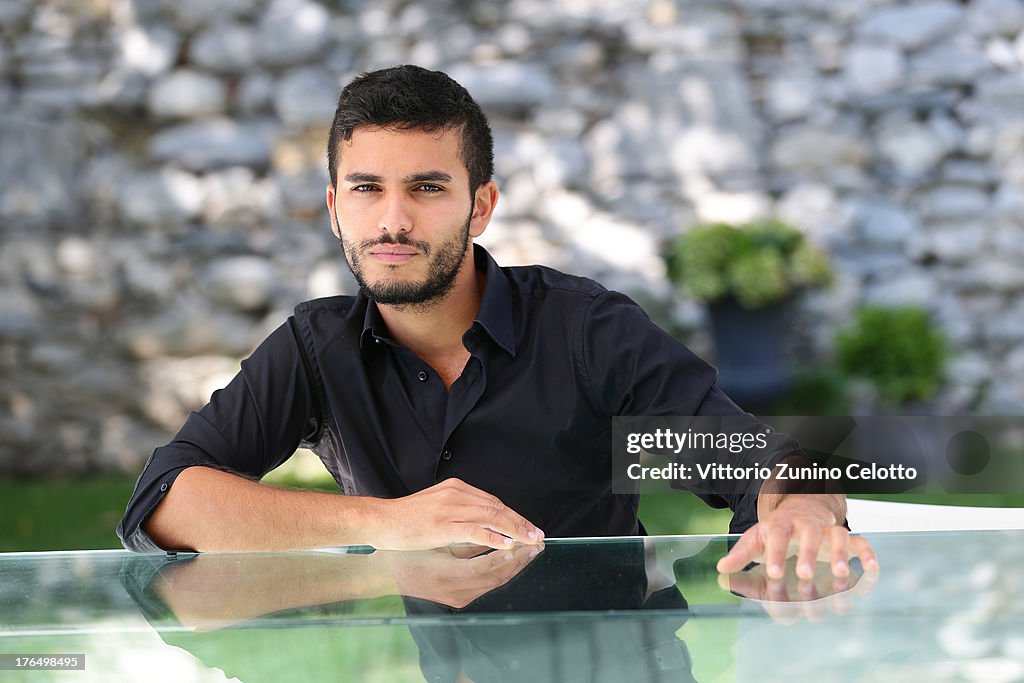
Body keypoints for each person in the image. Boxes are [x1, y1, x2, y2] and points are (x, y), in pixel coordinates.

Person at [117, 65, 877, 581]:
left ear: (481, 205)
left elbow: (757, 459)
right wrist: (392, 522)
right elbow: (168, 499)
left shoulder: (585, 331)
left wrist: (805, 510)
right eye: (366, 189)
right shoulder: (319, 351)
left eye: (426, 187)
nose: (392, 219)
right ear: (333, 207)